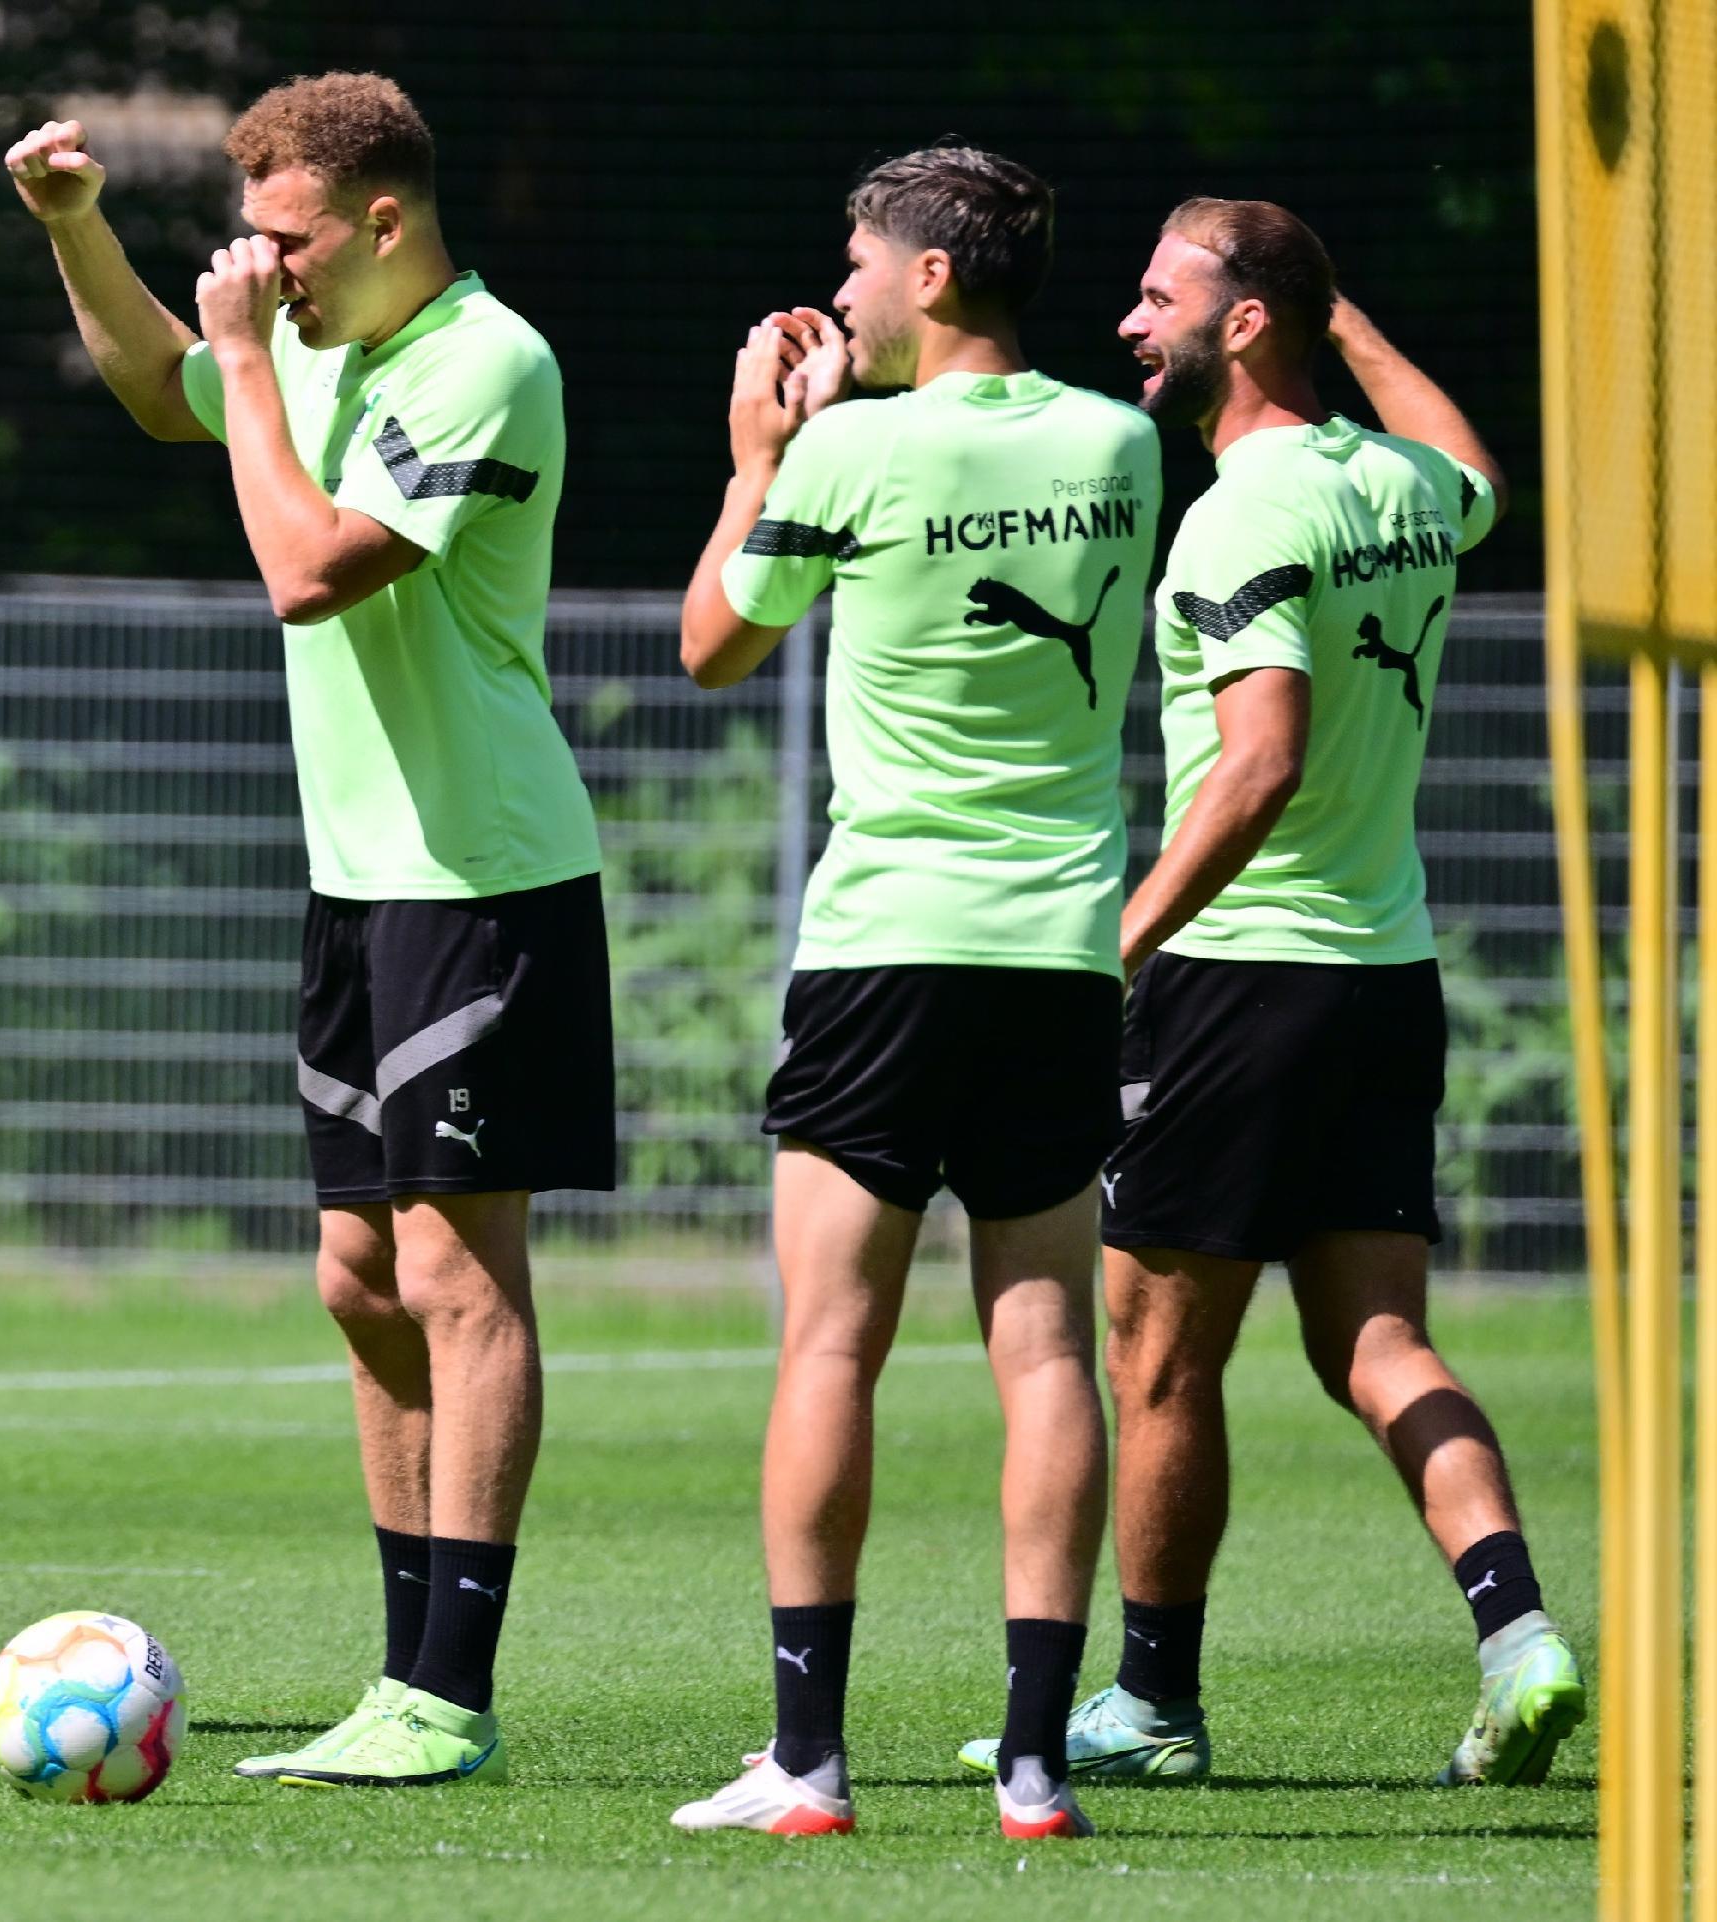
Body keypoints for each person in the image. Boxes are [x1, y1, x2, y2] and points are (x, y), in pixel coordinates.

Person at [4, 72, 613, 1788]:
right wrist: (77, 231)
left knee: (458, 1274)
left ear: (382, 220)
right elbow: (159, 389)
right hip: (359, 887)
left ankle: (449, 1694)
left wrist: (255, 365)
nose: (259, 270)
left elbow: (310, 565)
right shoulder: (315, 343)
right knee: (359, 1275)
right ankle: (399, 1675)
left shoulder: (487, 359)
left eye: (285, 238)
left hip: (482, 880)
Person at [958, 197, 1582, 1788]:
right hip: (1385, 974)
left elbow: (1260, 763)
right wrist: (1340, 313)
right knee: (1378, 1337)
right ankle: (1519, 1634)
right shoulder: (1401, 488)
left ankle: (1152, 1704)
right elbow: (1480, 475)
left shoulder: (1240, 513)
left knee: (1158, 1355)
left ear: (1243, 326)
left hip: (1239, 982)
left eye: (1158, 296)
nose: (1128, 322)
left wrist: (1116, 943)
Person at [667, 148, 1161, 1841]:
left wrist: (762, 458)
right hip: (1059, 950)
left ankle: (808, 1762)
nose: (845, 290)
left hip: (885, 944)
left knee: (830, 1342)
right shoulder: (1120, 444)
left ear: (933, 276)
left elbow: (714, 644)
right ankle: (1034, 1765)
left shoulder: (849, 452)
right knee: (1048, 1349)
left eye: (861, 260)